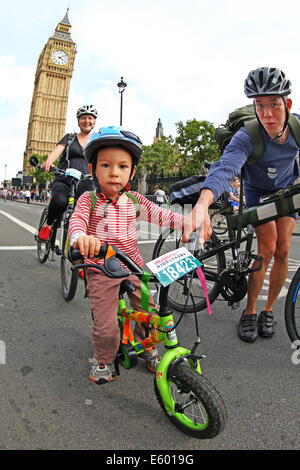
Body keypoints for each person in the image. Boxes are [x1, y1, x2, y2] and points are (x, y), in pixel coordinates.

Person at [182, 66, 300, 343]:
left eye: (274, 105)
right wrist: (202, 204)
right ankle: (249, 311)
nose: (267, 114)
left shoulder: (297, 128)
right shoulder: (247, 136)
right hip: (258, 191)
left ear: (288, 104)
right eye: (260, 106)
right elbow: (225, 169)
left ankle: (268, 310)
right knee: (268, 247)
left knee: (284, 249)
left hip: (286, 188)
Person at [68, 126, 185, 384]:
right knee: (106, 325)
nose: (113, 172)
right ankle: (105, 359)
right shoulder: (88, 200)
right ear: (93, 170)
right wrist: (81, 238)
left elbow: (162, 214)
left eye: (122, 167)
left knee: (149, 310)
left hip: (132, 267)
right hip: (100, 270)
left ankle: (149, 347)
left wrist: (188, 222)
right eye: (106, 165)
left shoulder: (134, 200)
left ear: (132, 172)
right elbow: (76, 222)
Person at [38, 105, 98, 240]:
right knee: (60, 200)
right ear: (78, 121)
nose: (86, 121)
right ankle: (48, 225)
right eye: (83, 118)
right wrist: (48, 161)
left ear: (94, 122)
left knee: (90, 210)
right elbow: (58, 150)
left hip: (87, 181)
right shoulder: (70, 138)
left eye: (90, 118)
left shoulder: (97, 141)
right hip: (64, 178)